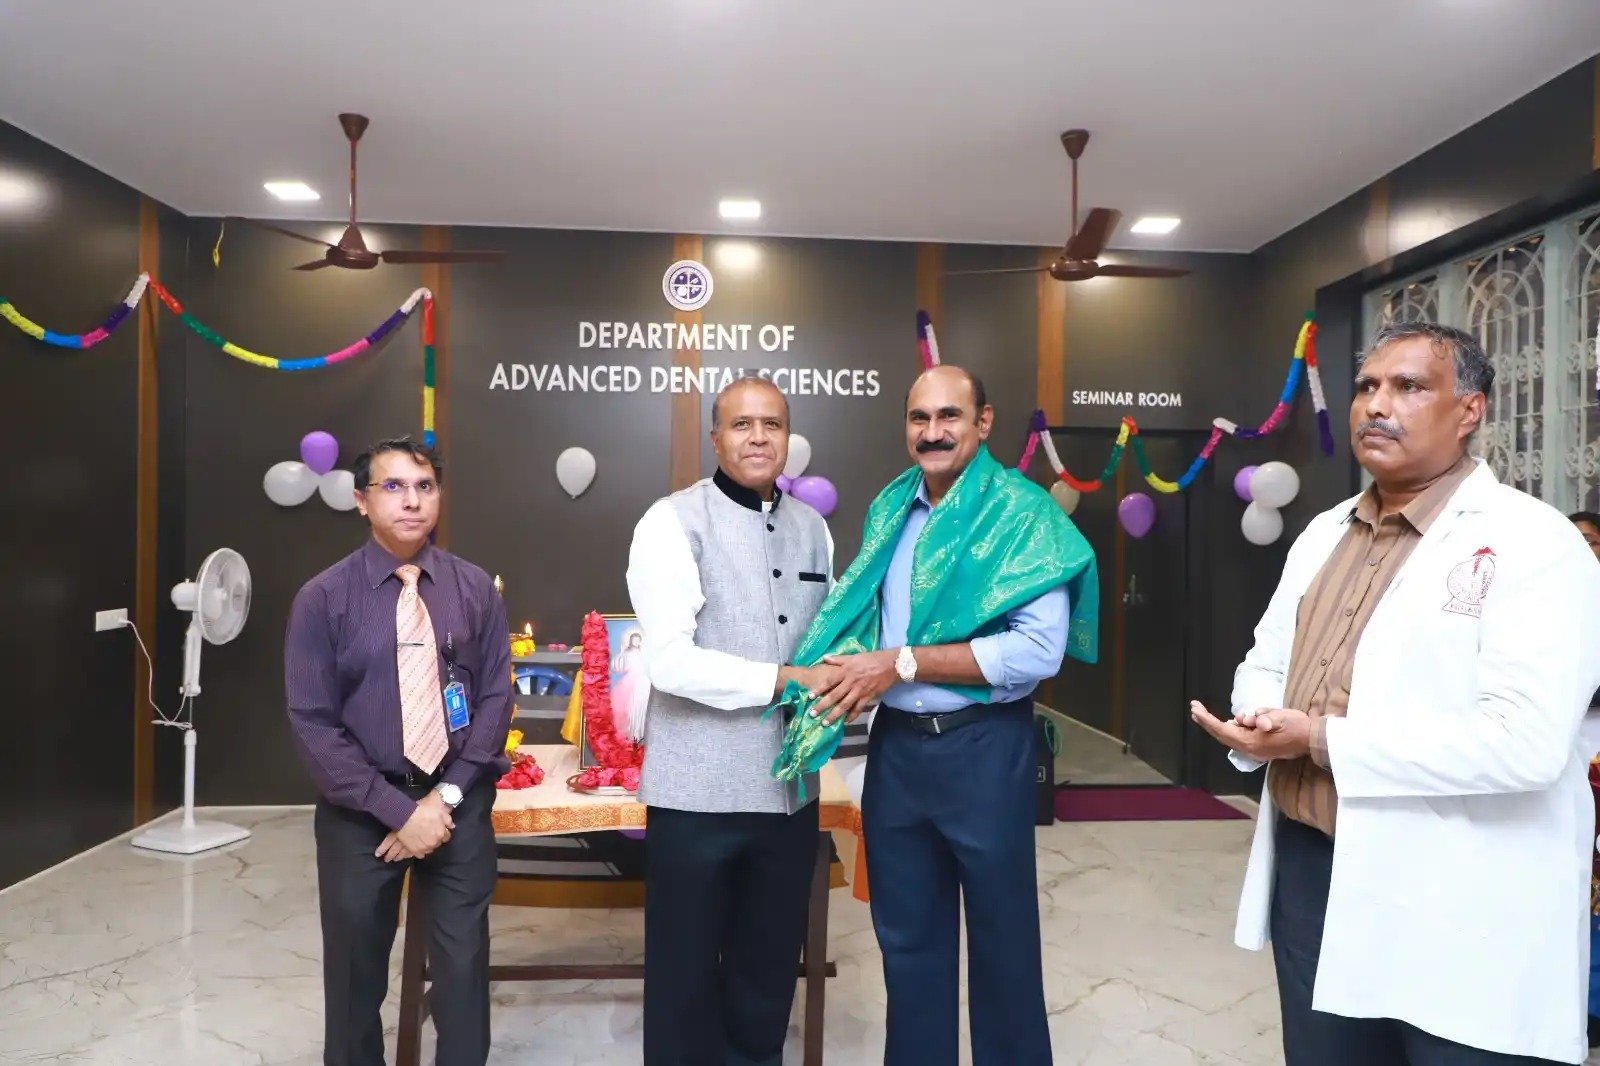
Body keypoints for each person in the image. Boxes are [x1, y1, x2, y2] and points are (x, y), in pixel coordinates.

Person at [1192, 322, 1600, 1065]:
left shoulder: (1536, 543)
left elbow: (1527, 744)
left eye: (1408, 386)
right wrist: (1258, 715)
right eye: (1366, 387)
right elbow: (1267, 658)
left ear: (1469, 410)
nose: (1377, 405)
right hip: (1312, 871)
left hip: (1458, 890)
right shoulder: (1324, 533)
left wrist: (1319, 739)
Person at [787, 365, 1099, 1066]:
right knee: (908, 950)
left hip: (984, 750)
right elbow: (870, 619)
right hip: (898, 752)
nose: (932, 432)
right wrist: (841, 670)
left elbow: (1038, 651)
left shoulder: (1022, 514)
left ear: (984, 422)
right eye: (919, 418)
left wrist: (901, 663)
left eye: (949, 416)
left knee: (1003, 949)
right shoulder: (891, 506)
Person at [624, 377, 840, 1066]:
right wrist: (783, 679)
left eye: (771, 424)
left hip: (789, 797)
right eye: (741, 424)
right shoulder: (672, 521)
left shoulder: (814, 529)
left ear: (788, 438)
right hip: (696, 799)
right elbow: (669, 662)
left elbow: (829, 640)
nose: (758, 437)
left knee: (767, 978)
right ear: (715, 438)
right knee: (683, 982)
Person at [285, 436, 513, 1066]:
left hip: (456, 803)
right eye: (393, 487)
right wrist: (398, 811)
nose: (412, 501)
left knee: (463, 972)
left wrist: (443, 799)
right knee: (355, 980)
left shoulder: (474, 588)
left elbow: (496, 698)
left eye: (425, 487)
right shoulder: (323, 598)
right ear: (361, 501)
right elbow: (312, 722)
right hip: (360, 813)